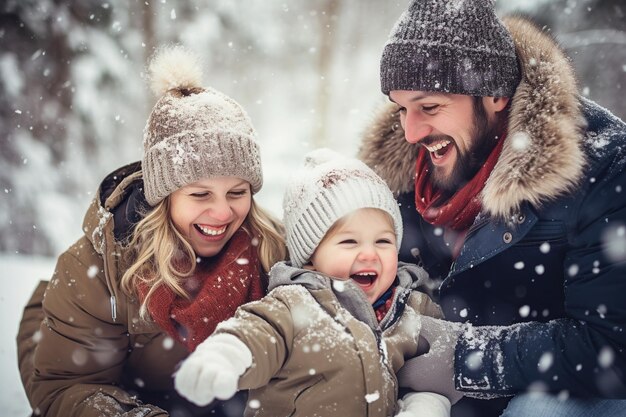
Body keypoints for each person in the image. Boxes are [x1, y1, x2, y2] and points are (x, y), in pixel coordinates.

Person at [358, 0, 626, 416]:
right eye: (401, 108)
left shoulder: (603, 165)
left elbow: (615, 344)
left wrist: (465, 357)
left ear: (495, 95)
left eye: (429, 107)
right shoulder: (396, 180)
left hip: (559, 391)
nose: (411, 132)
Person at [16, 45, 286, 417]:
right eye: (200, 194)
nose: (223, 211)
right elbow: (67, 386)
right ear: (165, 197)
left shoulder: (275, 251)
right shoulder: (99, 269)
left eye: (237, 193)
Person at [173, 148, 453, 417]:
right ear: (311, 258)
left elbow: (434, 377)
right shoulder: (294, 304)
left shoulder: (413, 309)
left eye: (383, 241)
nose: (369, 253)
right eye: (349, 241)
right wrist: (226, 356)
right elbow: (257, 334)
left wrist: (424, 408)